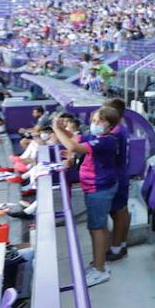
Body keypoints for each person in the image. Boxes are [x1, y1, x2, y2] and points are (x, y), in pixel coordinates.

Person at [52, 107, 121, 287]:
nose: (95, 124)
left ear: (110, 125)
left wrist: (57, 130)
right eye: (94, 120)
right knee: (100, 226)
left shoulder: (106, 141)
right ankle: (101, 263)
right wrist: (62, 128)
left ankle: (99, 271)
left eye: (100, 121)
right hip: (96, 187)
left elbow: (73, 146)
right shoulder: (96, 137)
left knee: (96, 228)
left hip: (99, 189)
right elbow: (74, 137)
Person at [104, 97, 131, 262]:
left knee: (119, 213)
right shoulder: (120, 129)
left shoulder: (116, 133)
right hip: (120, 175)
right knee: (121, 212)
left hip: (117, 177)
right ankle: (120, 245)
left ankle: (116, 247)